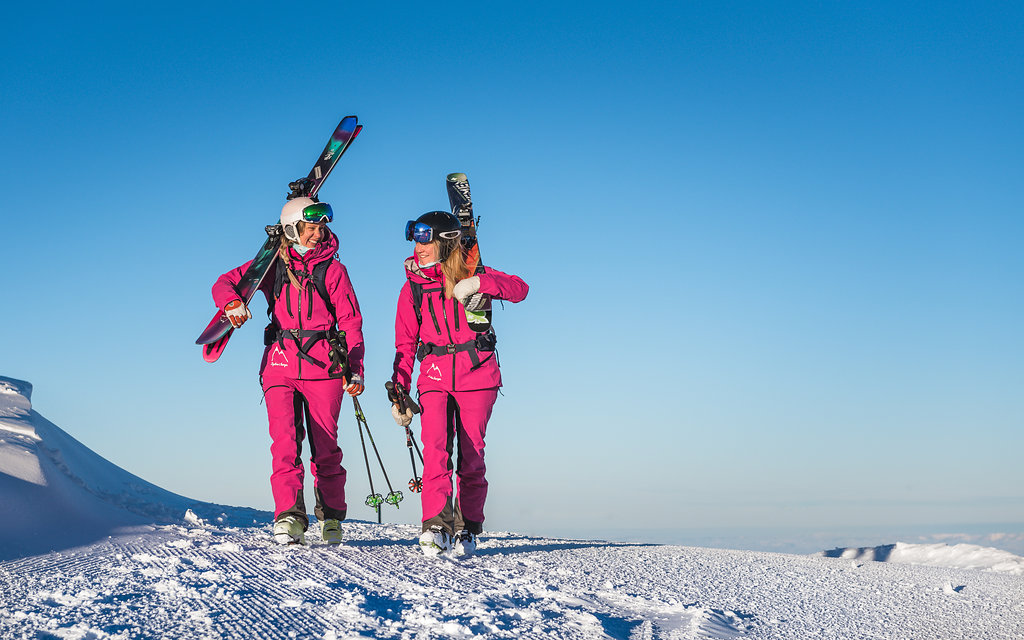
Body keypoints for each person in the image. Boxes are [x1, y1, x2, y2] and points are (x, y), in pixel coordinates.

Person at [211, 197, 364, 546]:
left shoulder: (334, 270)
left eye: (320, 227)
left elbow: (352, 322)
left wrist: (355, 369)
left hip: (325, 367)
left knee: (325, 447)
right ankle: (289, 516)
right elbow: (224, 283)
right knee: (285, 443)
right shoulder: (272, 265)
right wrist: (232, 302)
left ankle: (331, 517)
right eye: (310, 227)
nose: (317, 233)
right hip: (279, 364)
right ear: (293, 227)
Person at [390, 211, 528, 557]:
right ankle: (436, 525)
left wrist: (481, 284)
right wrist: (400, 390)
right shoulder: (412, 289)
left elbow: (520, 289)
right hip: (434, 375)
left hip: (478, 374)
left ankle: (468, 525)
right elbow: (405, 344)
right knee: (436, 449)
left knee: (471, 455)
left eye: (426, 240)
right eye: (415, 240)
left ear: (445, 242)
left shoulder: (475, 273)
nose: (418, 247)